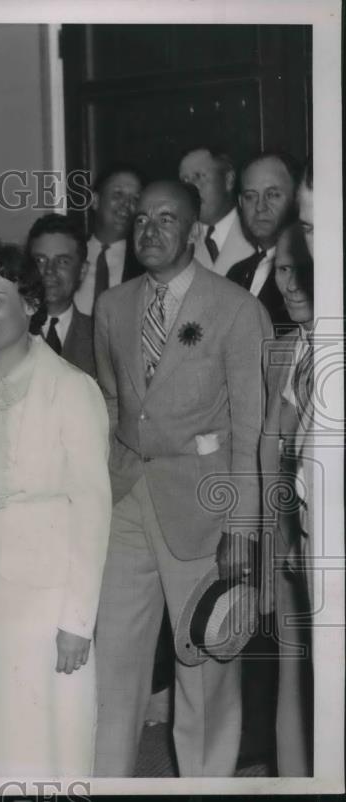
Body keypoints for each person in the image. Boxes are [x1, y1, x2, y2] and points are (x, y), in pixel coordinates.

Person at [92, 180, 272, 776]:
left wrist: (243, 528)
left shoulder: (237, 308)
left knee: (204, 666)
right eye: (141, 219)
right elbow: (115, 402)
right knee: (114, 663)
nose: (150, 230)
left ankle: (208, 785)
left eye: (166, 219)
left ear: (194, 229)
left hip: (203, 508)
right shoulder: (114, 308)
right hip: (126, 502)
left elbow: (251, 427)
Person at [0, 245, 111, 776]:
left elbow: (92, 508)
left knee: (46, 744)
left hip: (44, 600)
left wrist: (77, 621)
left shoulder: (70, 388)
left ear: (31, 306)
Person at [260, 221, 314, 777]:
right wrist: (278, 533)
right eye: (282, 270)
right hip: (289, 539)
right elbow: (271, 450)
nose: (292, 283)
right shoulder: (278, 352)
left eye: (303, 270)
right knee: (293, 672)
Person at [227, 152, 298, 327]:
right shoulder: (235, 273)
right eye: (250, 196)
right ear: (240, 203)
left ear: (297, 198)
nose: (260, 207)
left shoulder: (307, 274)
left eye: (272, 194)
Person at [27, 213, 96, 377]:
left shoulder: (99, 336)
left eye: (63, 261)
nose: (49, 270)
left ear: (82, 270)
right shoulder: (10, 331)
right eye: (40, 261)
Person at [74, 163, 145, 316]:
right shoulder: (71, 253)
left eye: (135, 199)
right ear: (95, 201)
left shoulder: (145, 264)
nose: (126, 204)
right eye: (118, 194)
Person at [178, 146, 254, 275]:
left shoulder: (256, 231)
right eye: (185, 180)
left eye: (199, 176)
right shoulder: (179, 242)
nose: (191, 188)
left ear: (228, 180)